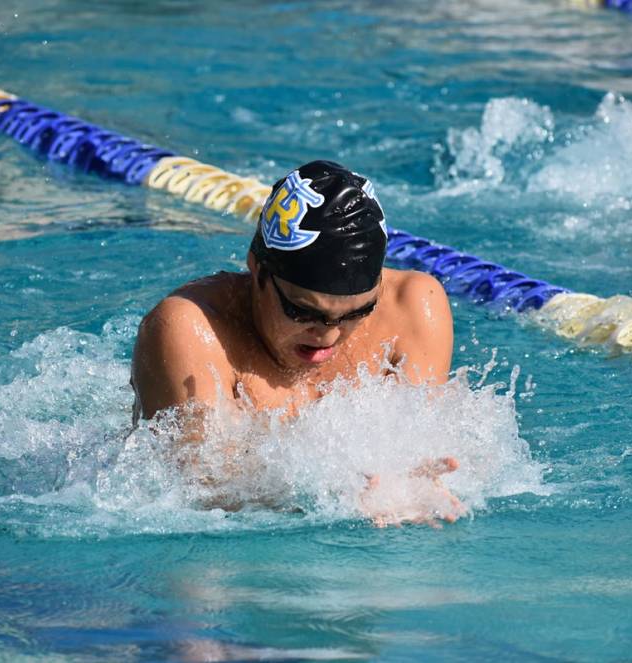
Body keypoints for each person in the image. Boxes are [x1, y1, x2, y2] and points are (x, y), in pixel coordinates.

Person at [131, 160, 464, 525]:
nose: (328, 335)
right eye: (302, 311)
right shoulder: (191, 328)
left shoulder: (413, 306)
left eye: (357, 313)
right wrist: (332, 495)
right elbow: (204, 491)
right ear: (257, 269)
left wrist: (410, 486)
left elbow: (424, 454)